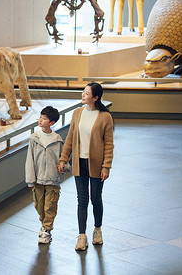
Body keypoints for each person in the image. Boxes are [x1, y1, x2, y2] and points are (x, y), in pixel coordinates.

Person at [58, 82, 114, 251]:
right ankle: (82, 236)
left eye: (87, 93)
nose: (83, 95)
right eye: (83, 92)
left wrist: (106, 167)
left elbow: (109, 144)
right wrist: (63, 159)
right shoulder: (77, 113)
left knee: (95, 198)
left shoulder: (105, 117)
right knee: (82, 200)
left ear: (96, 97)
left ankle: (97, 230)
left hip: (97, 165)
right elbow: (70, 138)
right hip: (79, 163)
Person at [25, 106, 68, 244]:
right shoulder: (34, 138)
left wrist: (64, 167)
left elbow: (63, 158)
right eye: (40, 117)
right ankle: (44, 225)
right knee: (39, 205)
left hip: (52, 180)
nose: (40, 120)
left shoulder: (57, 139)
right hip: (37, 180)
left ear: (52, 123)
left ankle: (47, 230)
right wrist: (30, 180)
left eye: (44, 119)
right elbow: (29, 160)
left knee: (50, 206)